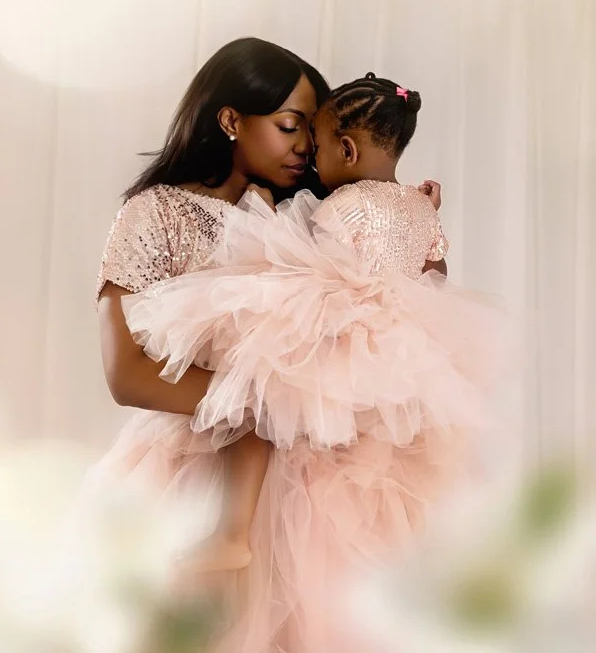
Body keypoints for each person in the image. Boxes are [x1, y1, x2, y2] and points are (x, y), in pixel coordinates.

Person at [92, 45, 444, 648]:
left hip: (326, 490)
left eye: (314, 129)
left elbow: (399, 312)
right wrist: (267, 403)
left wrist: (412, 218)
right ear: (232, 120)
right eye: (290, 126)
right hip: (203, 473)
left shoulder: (322, 209)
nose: (306, 145)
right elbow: (126, 374)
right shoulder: (156, 214)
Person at [123, 71, 512, 603]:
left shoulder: (340, 206)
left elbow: (305, 261)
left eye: (319, 144)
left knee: (257, 401)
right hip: (396, 356)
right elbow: (435, 274)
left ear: (347, 150)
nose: (309, 156)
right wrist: (416, 225)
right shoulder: (422, 207)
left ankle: (232, 533)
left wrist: (262, 217)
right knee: (362, 460)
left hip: (337, 334)